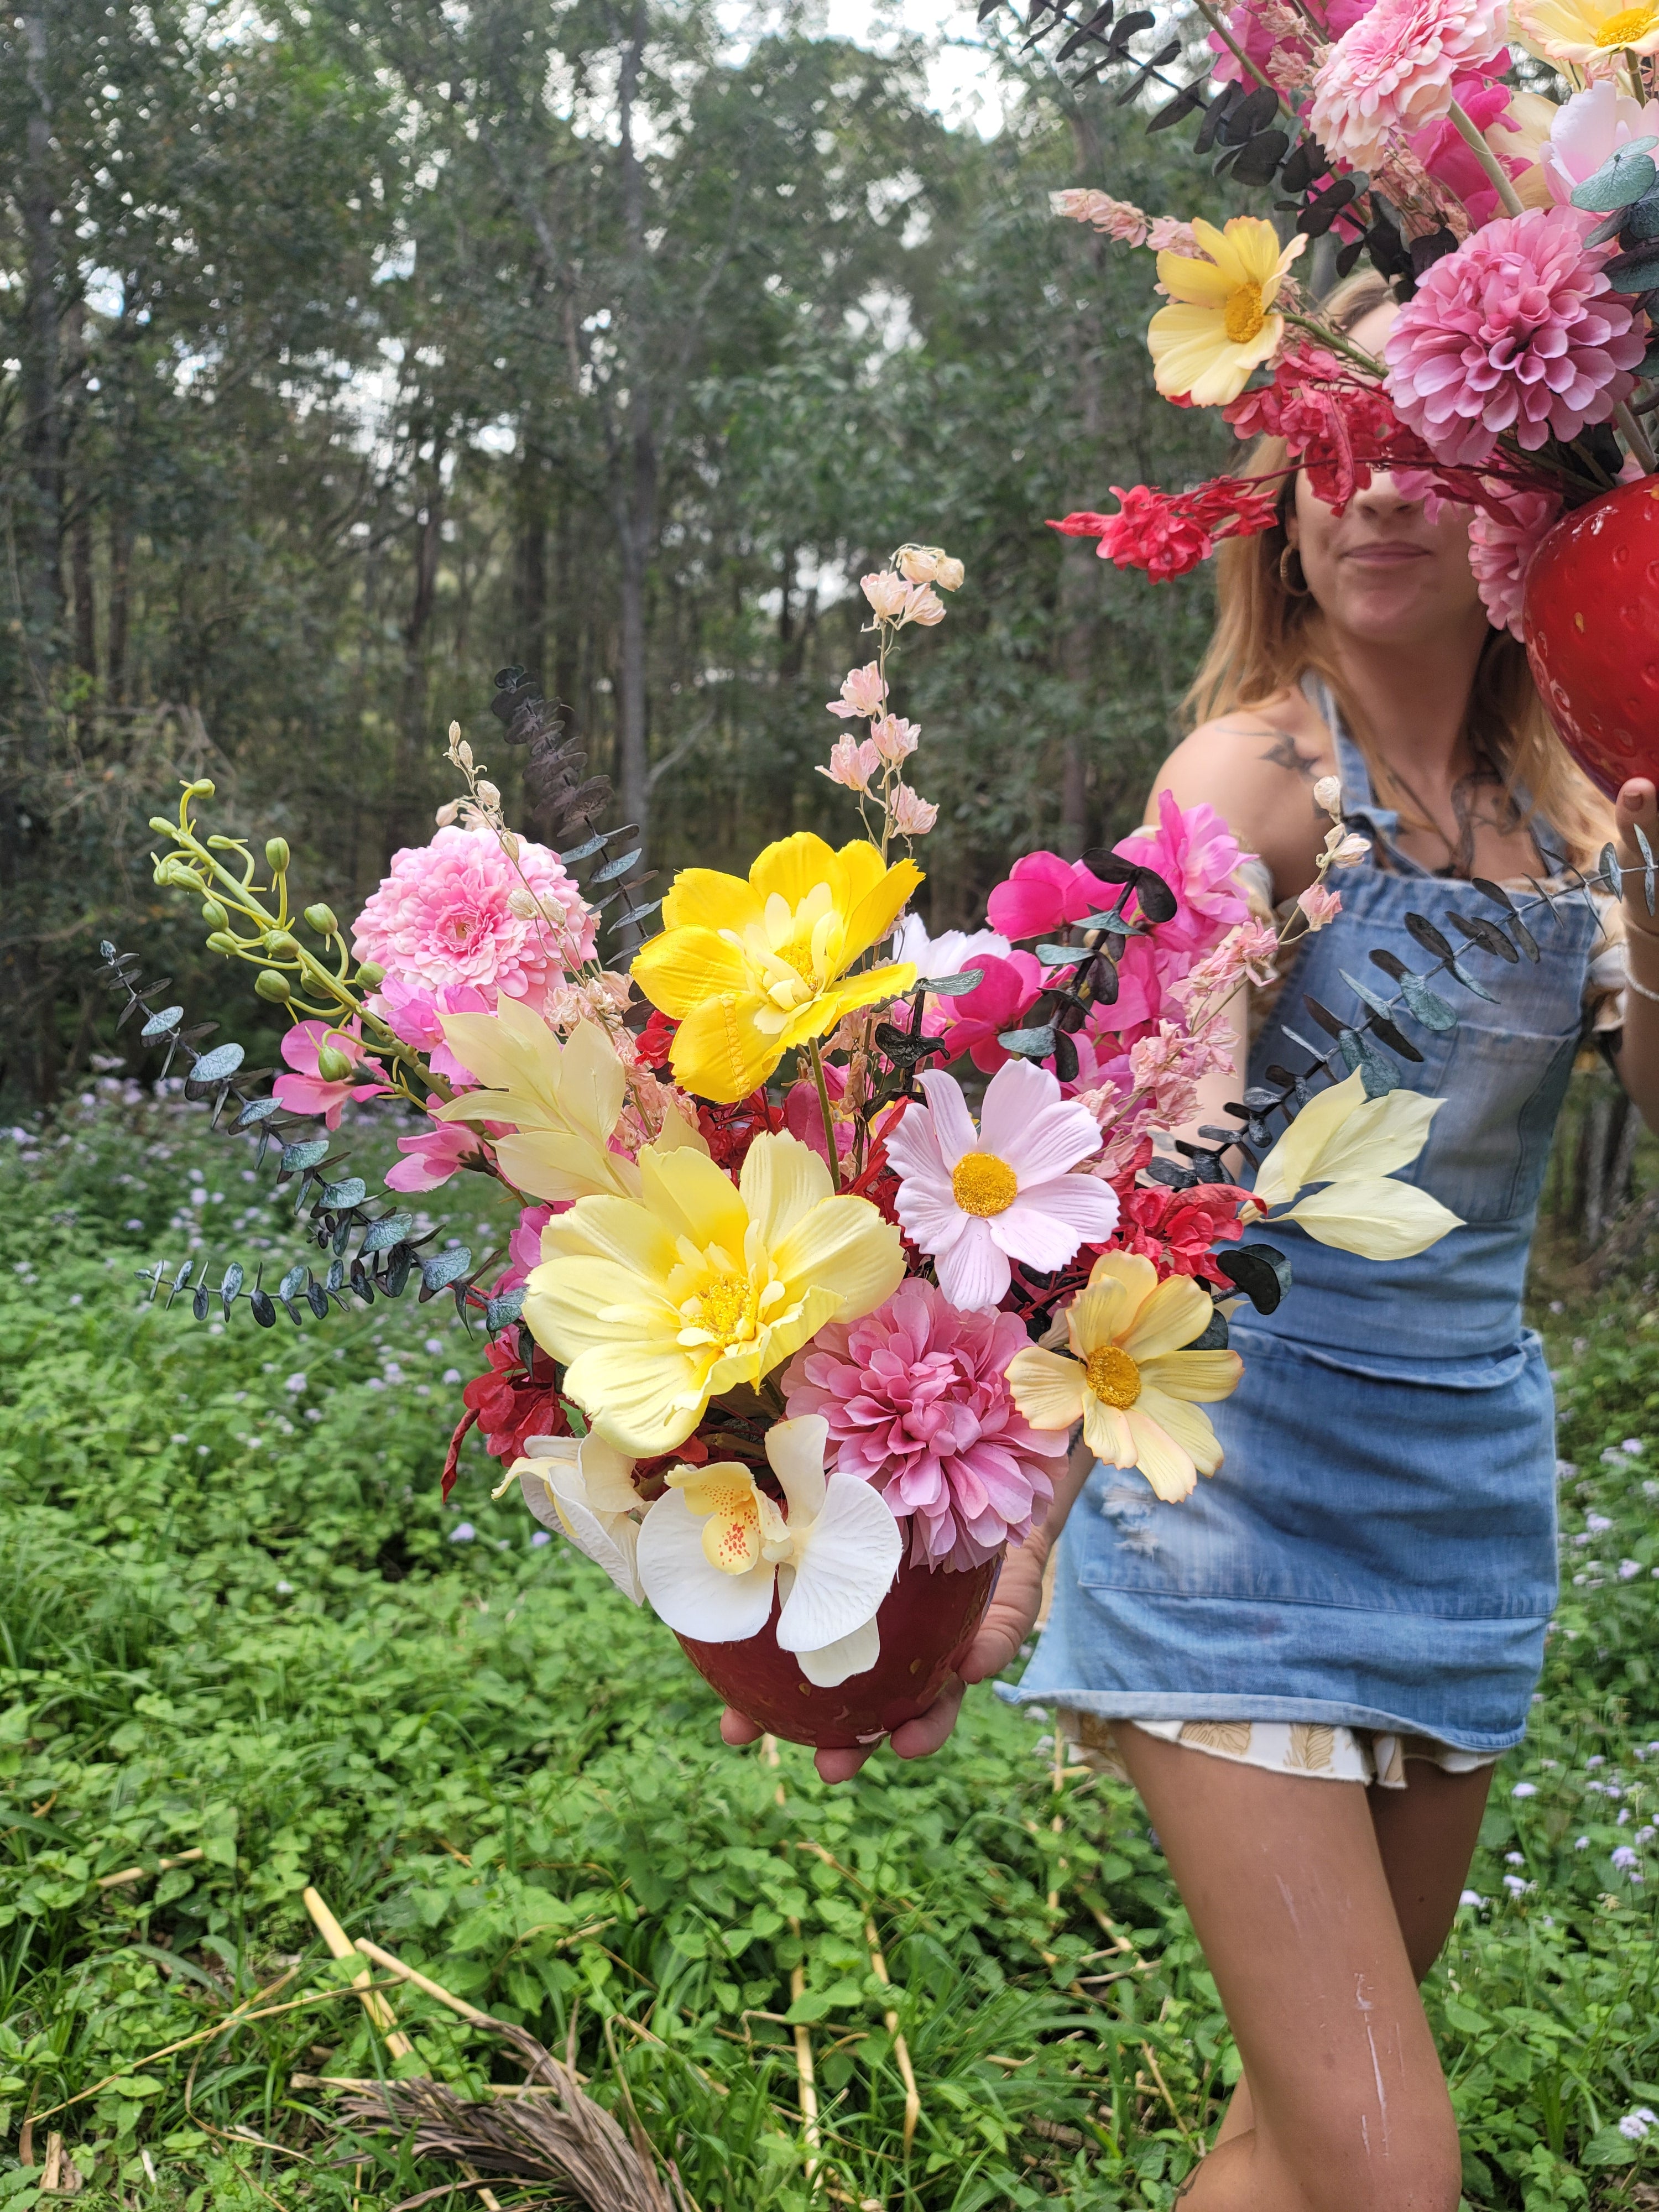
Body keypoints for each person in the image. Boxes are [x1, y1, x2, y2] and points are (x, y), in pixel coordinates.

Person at [723, 271, 1659, 2210]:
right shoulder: (1256, 778)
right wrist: (1012, 1543)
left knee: (1300, 2150)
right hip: (1230, 1499)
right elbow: (1132, 1174)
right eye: (1333, 458)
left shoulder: (1574, 809)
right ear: (1281, 514)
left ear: (1507, 516)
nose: (1379, 498)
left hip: (1468, 1498)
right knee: (1392, 2167)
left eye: (1424, 458)